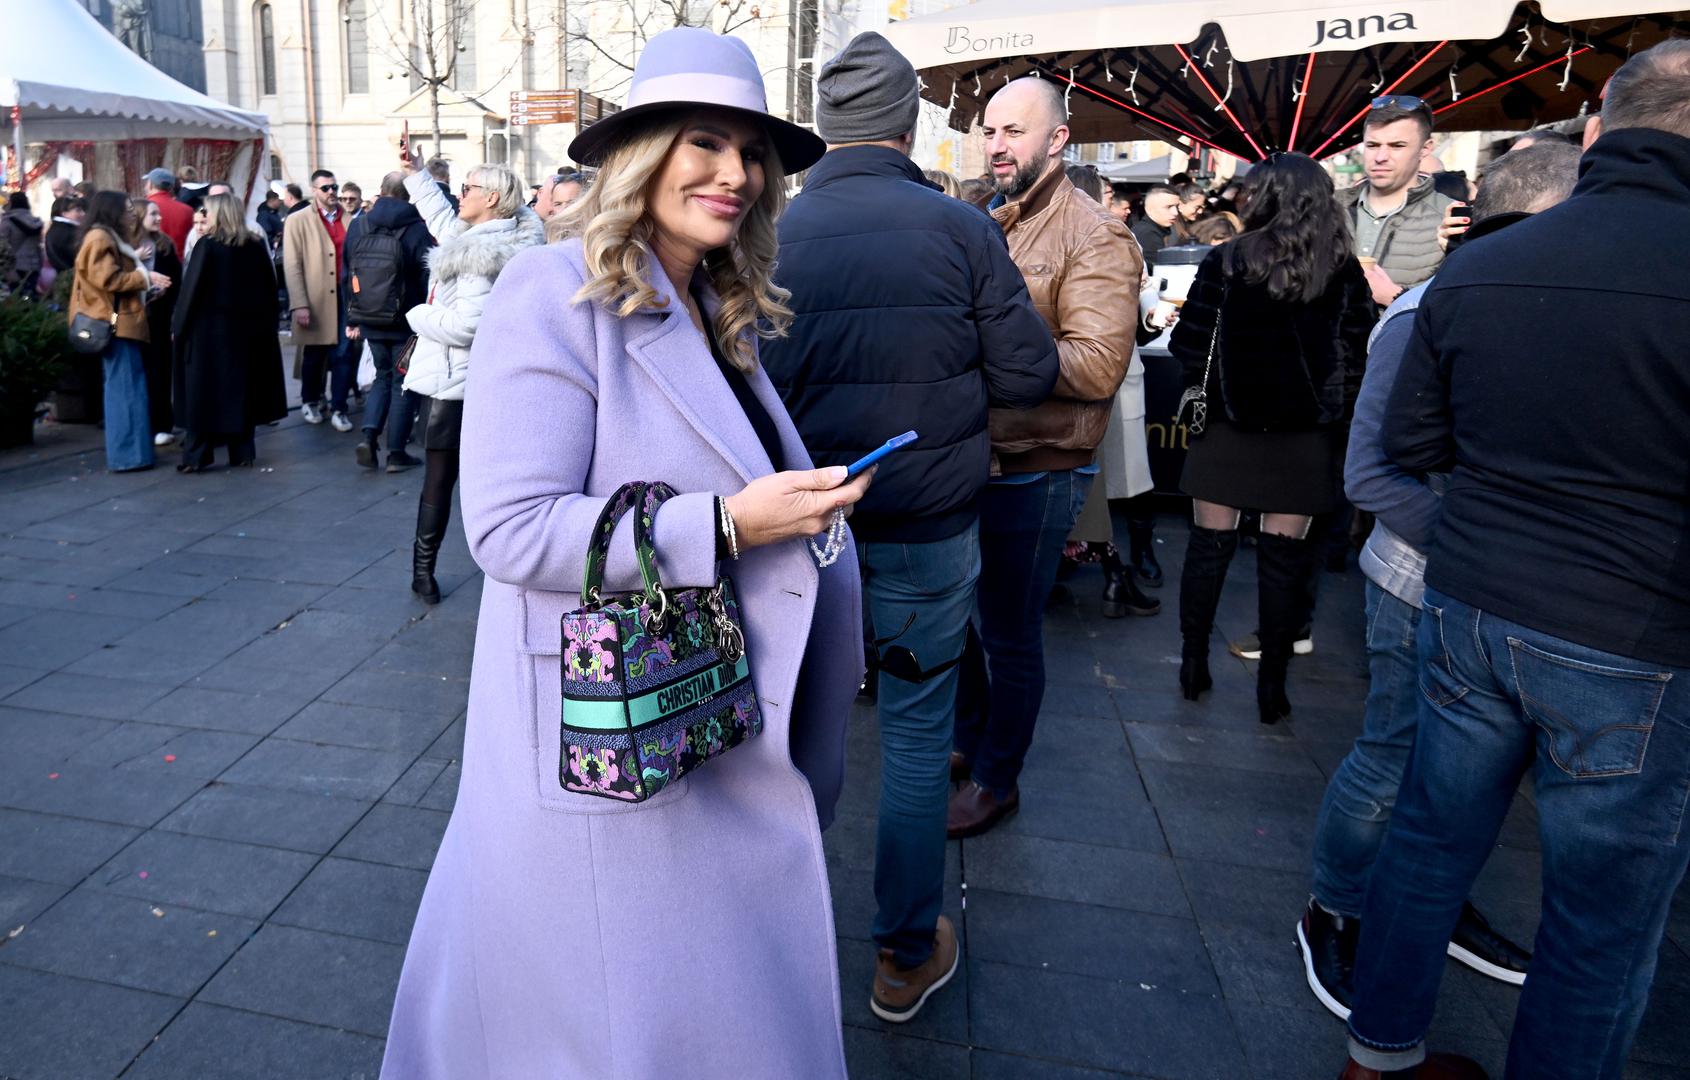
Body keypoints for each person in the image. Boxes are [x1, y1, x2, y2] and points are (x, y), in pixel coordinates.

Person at [381, 27, 874, 1078]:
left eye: (753, 153)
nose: (736, 174)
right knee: (621, 1028)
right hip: (617, 739)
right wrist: (731, 524)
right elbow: (508, 526)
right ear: (642, 153)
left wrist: (799, 506)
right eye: (707, 143)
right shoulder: (552, 291)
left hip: (704, 716)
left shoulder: (714, 305)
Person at [1336, 42, 1690, 1080]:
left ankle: (1376, 1057)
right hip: (1629, 633)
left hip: (1478, 605)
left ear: (1597, 132)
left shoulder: (1479, 263)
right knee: (1597, 919)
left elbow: (1410, 443)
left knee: (1428, 843)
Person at [762, 31, 1058, 1025]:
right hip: (927, 526)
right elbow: (1028, 374)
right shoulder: (961, 229)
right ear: (906, 122)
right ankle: (900, 953)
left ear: (823, 127)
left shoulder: (771, 232)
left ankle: (764, 941)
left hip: (796, 527)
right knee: (918, 737)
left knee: (778, 733)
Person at [1298, 141, 1581, 1026]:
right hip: (1421, 585)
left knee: (1469, 780)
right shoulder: (1424, 312)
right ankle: (1334, 910)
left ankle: (1432, 904)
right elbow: (1370, 475)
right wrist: (1481, 544)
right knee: (1392, 755)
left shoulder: (1545, 306)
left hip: (1506, 592)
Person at [948, 76, 1139, 839]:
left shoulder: (1094, 234)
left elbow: (1097, 366)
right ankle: (972, 738)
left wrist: (986, 348)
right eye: (989, 131)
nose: (996, 146)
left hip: (1039, 464)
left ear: (1058, 139)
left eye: (1014, 132)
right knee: (954, 614)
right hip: (977, 452)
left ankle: (998, 778)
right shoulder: (987, 217)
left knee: (1009, 630)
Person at [1168, 153, 1374, 725]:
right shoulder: (1341, 266)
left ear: (1268, 196)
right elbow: (1357, 355)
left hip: (1226, 429)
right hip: (1304, 439)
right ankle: (1272, 688)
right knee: (1285, 563)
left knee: (1207, 550)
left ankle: (1192, 665)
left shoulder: (1227, 259)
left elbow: (1190, 342)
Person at [398, 156, 544, 601]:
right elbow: (442, 220)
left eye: (467, 188)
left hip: (456, 384)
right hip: (488, 384)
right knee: (480, 482)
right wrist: (415, 172)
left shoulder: (477, 255)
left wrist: (417, 314)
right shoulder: (501, 236)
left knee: (440, 481)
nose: (460, 195)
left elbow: (466, 326)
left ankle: (423, 570)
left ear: (491, 198)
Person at [1059, 163, 1160, 618]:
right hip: (1097, 375)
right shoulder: (1109, 240)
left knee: (1097, 483)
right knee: (1095, 483)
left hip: (1072, 375)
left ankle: (1117, 571)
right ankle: (1118, 574)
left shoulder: (1065, 238)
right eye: (1104, 194)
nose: (1113, 203)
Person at [171, 194, 288, 471]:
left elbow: (190, 291)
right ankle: (242, 452)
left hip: (208, 334)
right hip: (248, 333)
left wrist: (178, 327)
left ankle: (197, 456)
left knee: (203, 393)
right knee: (242, 391)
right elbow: (269, 289)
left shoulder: (207, 246)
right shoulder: (254, 245)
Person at [70, 191, 172, 472]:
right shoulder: (101, 238)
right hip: (116, 322)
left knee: (128, 386)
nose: (131, 214)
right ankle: (129, 455)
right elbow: (107, 280)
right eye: (127, 209)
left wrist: (146, 286)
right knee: (125, 388)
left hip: (118, 319)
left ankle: (134, 452)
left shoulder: (105, 237)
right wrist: (144, 278)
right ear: (112, 211)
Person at [344, 171, 433, 472]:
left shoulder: (359, 225)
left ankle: (369, 437)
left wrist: (352, 316)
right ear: (408, 194)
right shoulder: (418, 228)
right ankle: (396, 453)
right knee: (402, 382)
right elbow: (425, 275)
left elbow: (348, 273)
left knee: (381, 376)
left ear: (381, 192)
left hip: (369, 316)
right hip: (405, 320)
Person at [1338, 97, 1457, 308]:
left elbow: (1456, 306)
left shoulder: (1449, 219)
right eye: (1373, 145)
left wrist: (1394, 296)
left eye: (1397, 146)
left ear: (1425, 149)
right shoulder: (1327, 207)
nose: (1381, 157)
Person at [283, 168, 356, 431]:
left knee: (344, 354)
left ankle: (339, 407)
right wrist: (299, 303)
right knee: (314, 353)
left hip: (345, 297)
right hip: (315, 298)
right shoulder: (298, 220)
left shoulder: (349, 219)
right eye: (326, 188)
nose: (332, 192)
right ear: (314, 191)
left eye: (334, 187)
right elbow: (292, 265)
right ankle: (310, 400)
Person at [130, 196, 182, 447]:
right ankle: (139, 424)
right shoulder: (125, 247)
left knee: (160, 370)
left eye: (158, 213)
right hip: (129, 319)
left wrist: (166, 295)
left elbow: (176, 280)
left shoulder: (164, 245)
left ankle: (162, 424)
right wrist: (136, 259)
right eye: (153, 214)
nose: (159, 218)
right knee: (136, 371)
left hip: (158, 317)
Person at [143, 168, 194, 254]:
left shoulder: (142, 208)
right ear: (171, 187)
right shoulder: (188, 210)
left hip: (150, 259)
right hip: (180, 260)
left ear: (150, 184)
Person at [1, 192, 43, 297]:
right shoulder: (35, 222)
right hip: (34, 265)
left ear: (11, 203)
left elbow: (2, 246)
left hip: (14, 267)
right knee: (32, 296)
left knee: (15, 299)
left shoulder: (7, 221)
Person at [1131, 184, 1181, 263]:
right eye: (1168, 207)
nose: (1175, 212)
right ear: (1149, 209)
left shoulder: (1161, 228)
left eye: (1177, 207)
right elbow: (1159, 267)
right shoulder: (1147, 234)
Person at [45, 195, 85, 276]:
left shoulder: (56, 229)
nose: (83, 214)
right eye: (78, 210)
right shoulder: (68, 232)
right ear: (64, 213)